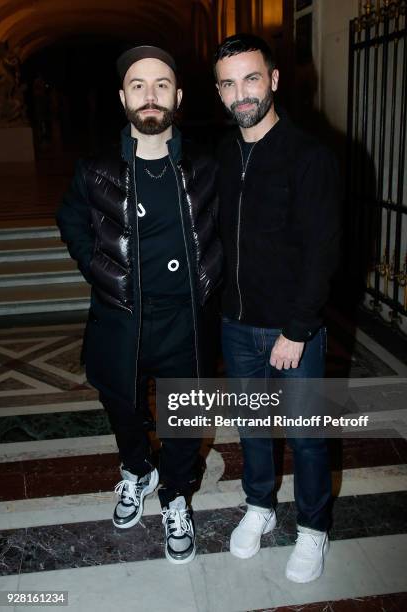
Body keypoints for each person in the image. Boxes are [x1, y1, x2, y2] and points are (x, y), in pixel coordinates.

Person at [56, 45, 221, 564]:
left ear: (178, 95)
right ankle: (136, 468)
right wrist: (98, 271)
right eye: (138, 85)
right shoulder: (95, 170)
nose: (150, 96)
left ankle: (174, 493)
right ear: (123, 97)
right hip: (120, 317)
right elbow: (71, 223)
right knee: (120, 402)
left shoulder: (206, 168)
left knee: (185, 417)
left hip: (185, 321)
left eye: (161, 85)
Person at [214, 34, 340, 582]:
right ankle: (260, 507)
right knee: (251, 428)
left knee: (308, 433)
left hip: (294, 331)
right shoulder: (221, 155)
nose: (241, 93)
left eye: (250, 78)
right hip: (236, 325)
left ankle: (313, 528)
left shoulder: (310, 155)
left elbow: (323, 252)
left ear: (274, 81)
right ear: (219, 93)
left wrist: (297, 328)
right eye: (228, 83)